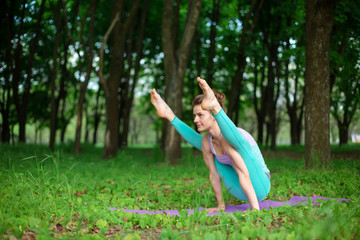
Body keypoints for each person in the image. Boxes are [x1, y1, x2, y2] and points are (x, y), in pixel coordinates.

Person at [150, 77, 270, 212]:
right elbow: (213, 174)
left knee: (230, 141)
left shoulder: (235, 137)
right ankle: (169, 114)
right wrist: (220, 206)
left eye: (200, 115)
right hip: (240, 189)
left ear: (213, 115)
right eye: (195, 115)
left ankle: (215, 107)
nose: (195, 120)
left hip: (260, 185)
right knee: (207, 144)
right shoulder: (207, 142)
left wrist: (255, 210)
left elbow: (244, 172)